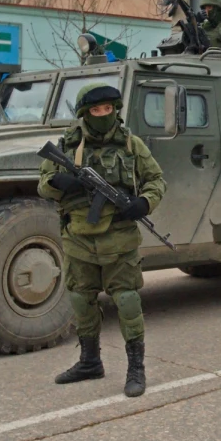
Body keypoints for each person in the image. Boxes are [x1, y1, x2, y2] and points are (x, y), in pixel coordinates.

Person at [37, 83, 166, 397]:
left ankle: (136, 368)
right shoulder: (67, 146)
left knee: (128, 301)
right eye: (96, 110)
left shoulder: (131, 145)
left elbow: (156, 180)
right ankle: (90, 361)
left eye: (108, 109)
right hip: (78, 238)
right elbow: (43, 185)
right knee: (81, 301)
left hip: (119, 240)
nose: (103, 115)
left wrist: (144, 203)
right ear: (85, 113)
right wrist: (59, 182)